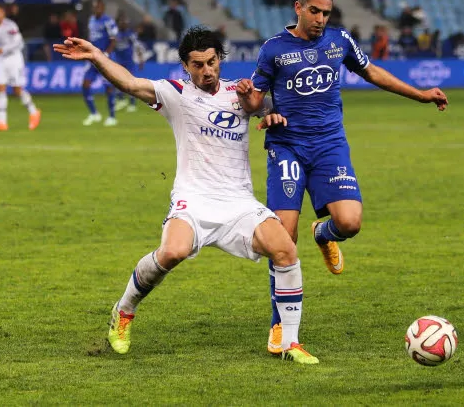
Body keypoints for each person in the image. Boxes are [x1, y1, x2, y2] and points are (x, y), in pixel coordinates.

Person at [53, 27, 319, 364]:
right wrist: (96, 56)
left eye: (211, 62)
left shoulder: (240, 93)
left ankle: (289, 343)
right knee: (173, 252)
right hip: (193, 198)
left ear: (219, 59)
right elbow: (130, 83)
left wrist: (269, 113)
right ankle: (123, 311)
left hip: (238, 202)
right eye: (197, 65)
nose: (207, 71)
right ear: (185, 67)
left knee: (285, 250)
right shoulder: (174, 93)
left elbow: (276, 107)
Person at [236, 0, 447, 355]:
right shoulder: (274, 50)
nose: (320, 18)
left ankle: (325, 234)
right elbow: (257, 100)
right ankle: (280, 326)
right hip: (287, 147)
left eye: (326, 12)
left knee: (350, 222)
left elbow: (372, 72)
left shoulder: (339, 41)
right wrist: (263, 111)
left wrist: (420, 95)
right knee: (283, 237)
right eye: (314, 11)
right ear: (297, 8)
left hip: (330, 145)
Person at [0, 4, 41, 132]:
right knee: (0, 88)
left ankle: (33, 111)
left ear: (3, 14)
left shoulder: (10, 26)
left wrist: (2, 49)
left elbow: (18, 42)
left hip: (13, 59)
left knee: (17, 90)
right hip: (0, 60)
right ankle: (1, 121)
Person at [81, 0, 118, 126]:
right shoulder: (91, 20)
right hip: (92, 57)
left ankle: (112, 116)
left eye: (98, 7)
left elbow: (113, 40)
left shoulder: (108, 21)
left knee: (108, 87)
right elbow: (91, 38)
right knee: (85, 84)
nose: (96, 9)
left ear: (103, 8)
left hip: (105, 59)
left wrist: (107, 53)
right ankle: (94, 114)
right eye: (94, 7)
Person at [113, 14, 146, 113]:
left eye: (125, 23)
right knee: (117, 81)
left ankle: (132, 104)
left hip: (128, 62)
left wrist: (141, 60)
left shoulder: (130, 35)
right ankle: (121, 99)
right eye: (121, 23)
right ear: (118, 24)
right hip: (118, 61)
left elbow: (137, 47)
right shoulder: (115, 34)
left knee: (131, 83)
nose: (123, 25)